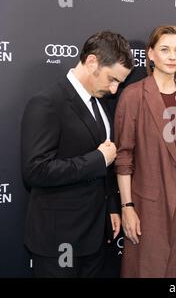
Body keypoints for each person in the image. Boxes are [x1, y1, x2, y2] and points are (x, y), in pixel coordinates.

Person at [21, 31, 134, 277]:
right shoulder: (47, 102)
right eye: (112, 79)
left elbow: (105, 170)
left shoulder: (101, 103)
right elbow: (35, 171)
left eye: (120, 83)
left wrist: (112, 207)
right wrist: (98, 159)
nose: (115, 90)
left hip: (94, 237)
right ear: (92, 61)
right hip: (58, 239)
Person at [114, 25, 176, 278]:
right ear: (150, 54)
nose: (172, 56)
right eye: (164, 49)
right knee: (149, 269)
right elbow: (124, 157)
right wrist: (127, 206)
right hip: (148, 203)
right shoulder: (133, 96)